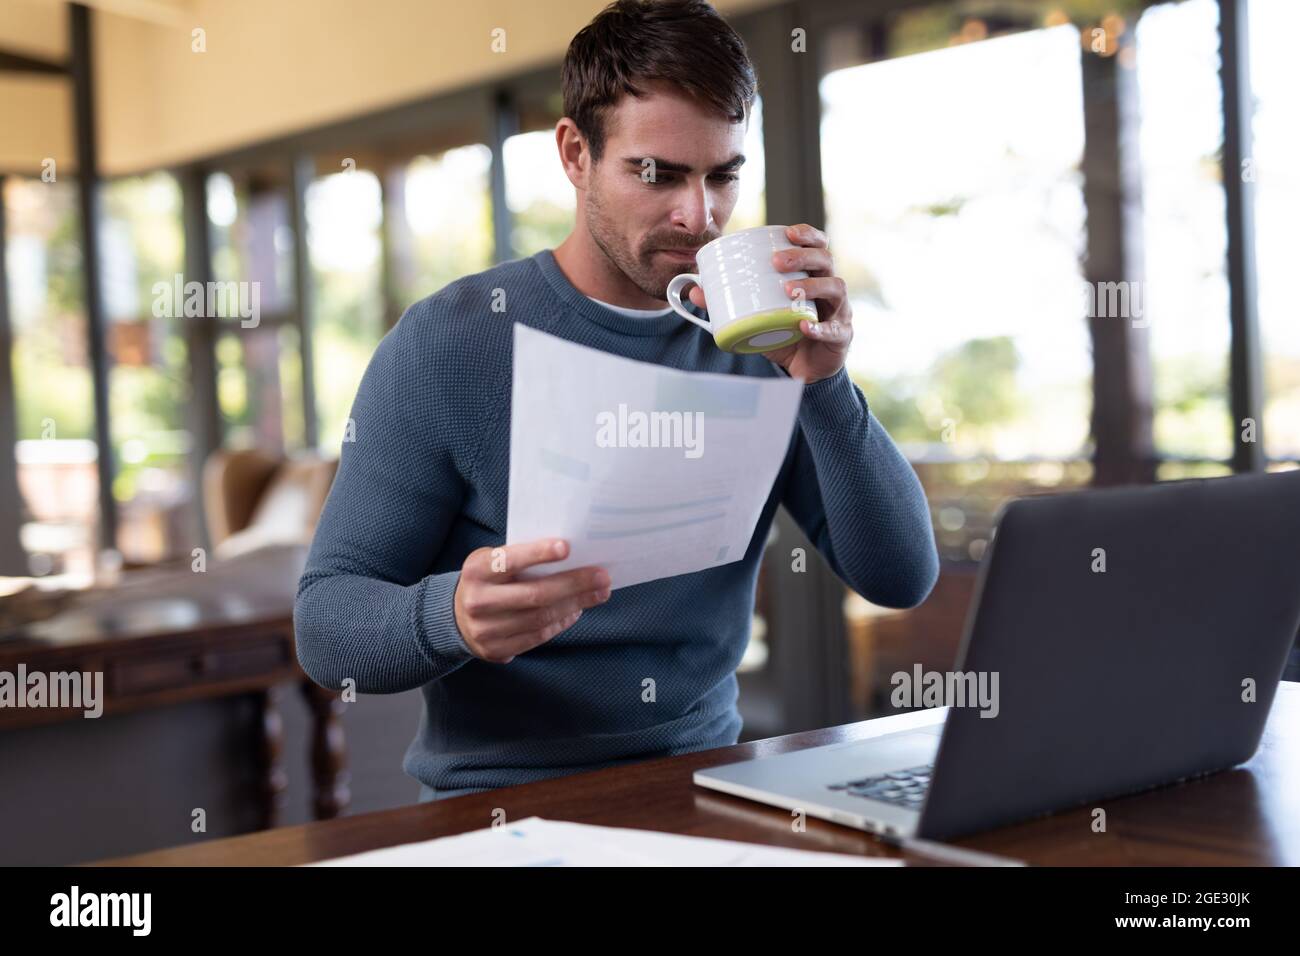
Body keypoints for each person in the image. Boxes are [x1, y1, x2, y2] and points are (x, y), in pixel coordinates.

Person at [294, 0, 939, 803]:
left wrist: (825, 382)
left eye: (723, 175)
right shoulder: (449, 345)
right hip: (499, 806)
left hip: (710, 787)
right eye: (657, 173)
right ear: (575, 153)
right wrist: (449, 617)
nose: (697, 216)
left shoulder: (759, 344)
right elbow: (326, 626)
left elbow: (901, 575)